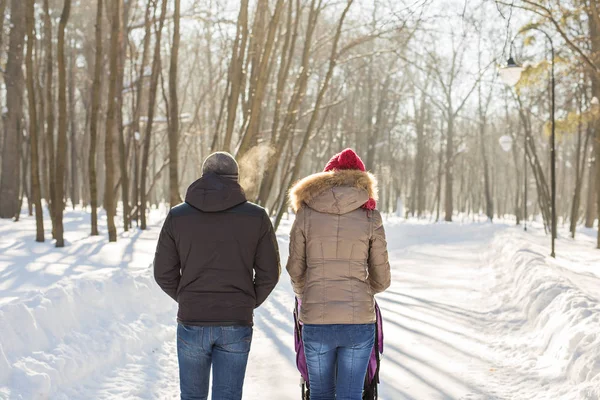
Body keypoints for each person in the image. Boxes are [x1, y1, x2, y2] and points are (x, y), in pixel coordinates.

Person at [154, 152, 280, 400]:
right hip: (236, 320)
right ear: (236, 179)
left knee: (191, 396)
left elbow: (163, 273)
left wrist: (187, 297)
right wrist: (245, 301)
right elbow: (269, 274)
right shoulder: (256, 217)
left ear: (202, 177)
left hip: (193, 319)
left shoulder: (178, 217)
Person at [286, 148, 391, 400]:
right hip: (358, 322)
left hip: (315, 319)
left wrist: (307, 294)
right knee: (351, 395)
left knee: (320, 394)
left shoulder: (305, 214)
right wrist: (363, 290)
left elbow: (296, 270)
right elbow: (382, 279)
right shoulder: (370, 217)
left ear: (325, 178)